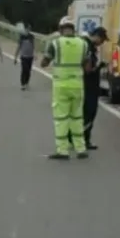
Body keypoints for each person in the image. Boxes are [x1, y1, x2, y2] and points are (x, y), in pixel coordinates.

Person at [42, 17, 91, 160]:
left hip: (61, 86)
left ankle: (62, 150)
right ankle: (81, 149)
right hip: (78, 86)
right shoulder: (83, 44)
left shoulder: (55, 43)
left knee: (61, 119)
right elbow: (87, 68)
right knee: (77, 118)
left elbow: (44, 63)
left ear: (61, 29)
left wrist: (47, 58)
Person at [77, 26, 108, 150]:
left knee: (82, 113)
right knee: (89, 113)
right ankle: (85, 139)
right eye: (103, 40)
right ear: (97, 36)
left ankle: (77, 138)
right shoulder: (89, 47)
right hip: (88, 86)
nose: (102, 43)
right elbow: (88, 70)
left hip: (84, 84)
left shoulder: (85, 45)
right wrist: (99, 66)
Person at [14, 26, 36, 90]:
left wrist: (35, 54)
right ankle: (23, 83)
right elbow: (18, 47)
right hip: (23, 56)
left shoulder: (31, 37)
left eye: (29, 29)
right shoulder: (22, 37)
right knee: (24, 69)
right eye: (27, 29)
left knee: (28, 71)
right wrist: (15, 57)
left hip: (30, 56)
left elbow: (33, 46)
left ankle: (27, 82)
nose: (28, 31)